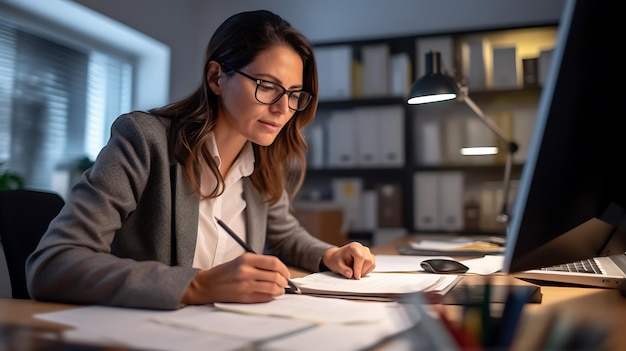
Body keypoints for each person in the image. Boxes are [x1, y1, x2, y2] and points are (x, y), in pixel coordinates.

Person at [25, 10, 376, 310]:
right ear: (216, 78)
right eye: (267, 86)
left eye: (294, 94)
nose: (283, 109)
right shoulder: (146, 141)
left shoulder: (262, 159)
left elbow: (285, 236)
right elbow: (53, 265)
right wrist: (197, 285)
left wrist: (329, 254)